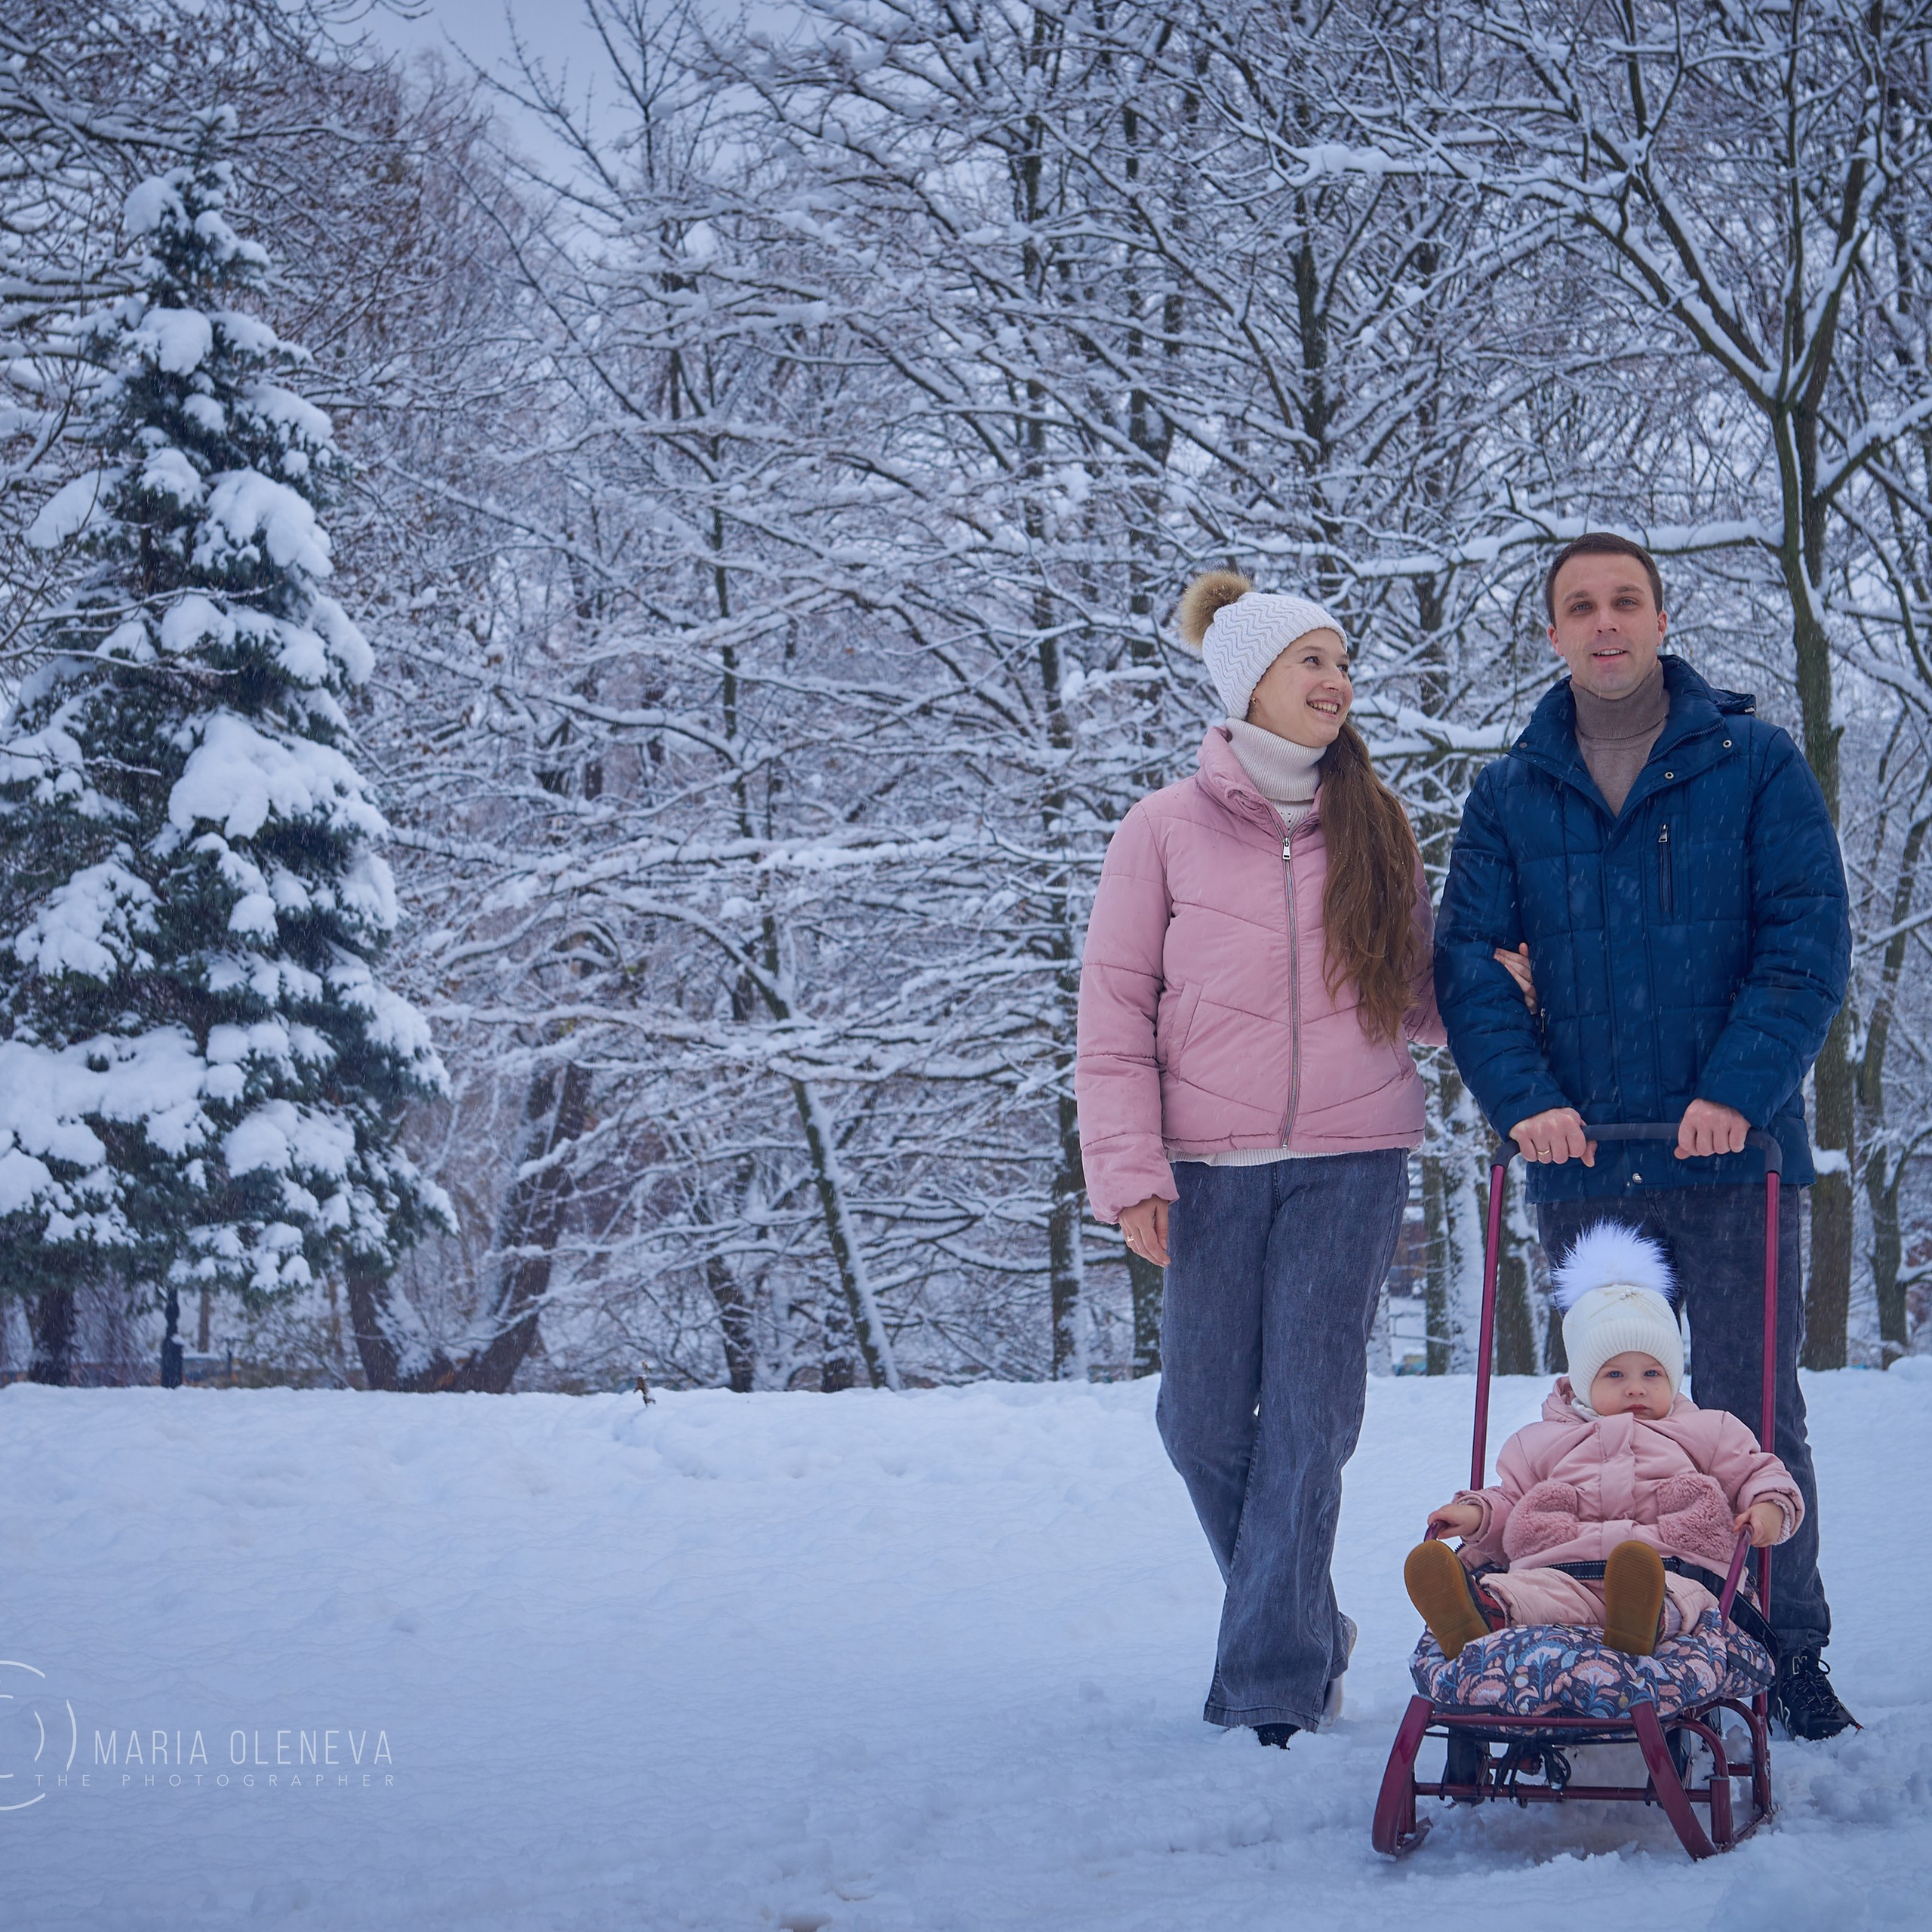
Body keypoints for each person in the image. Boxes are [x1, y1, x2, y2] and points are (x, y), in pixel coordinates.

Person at [1433, 531, 1855, 1737]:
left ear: (1662, 620)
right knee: (1598, 1421)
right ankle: (1579, 1622)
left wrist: (1738, 1088)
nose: (1605, 623)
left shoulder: (1755, 764)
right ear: (1554, 633)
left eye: (1626, 601)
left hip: (1732, 1158)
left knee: (1751, 1417)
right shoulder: (1513, 790)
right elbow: (1468, 964)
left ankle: (1788, 1649)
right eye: (1581, 606)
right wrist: (1524, 1102)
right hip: (1585, 1159)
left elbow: (1804, 940)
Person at [1075, 570, 1448, 1746]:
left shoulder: (1375, 826)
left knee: (1306, 1421)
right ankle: (1301, 1619)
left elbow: (1418, 996)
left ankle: (1270, 1688)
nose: (1339, 682)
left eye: (1342, 662)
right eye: (1313, 662)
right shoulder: (1161, 830)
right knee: (1196, 1422)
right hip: (1208, 1167)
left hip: (1354, 1159)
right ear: (1249, 684)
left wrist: (1499, 989)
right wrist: (1130, 1169)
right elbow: (1114, 1007)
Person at [1404, 1224, 1800, 1660]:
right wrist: (1476, 1515)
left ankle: (1645, 1621)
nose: (1636, 1389)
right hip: (1564, 1571)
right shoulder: (1538, 1443)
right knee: (1529, 1593)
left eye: (1652, 1373)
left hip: (1674, 1566)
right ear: (1582, 1384)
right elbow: (1512, 1502)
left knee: (1686, 1600)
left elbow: (1758, 1472)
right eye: (1615, 1375)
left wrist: (1766, 1508)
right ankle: (1481, 1614)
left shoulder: (1709, 1430)